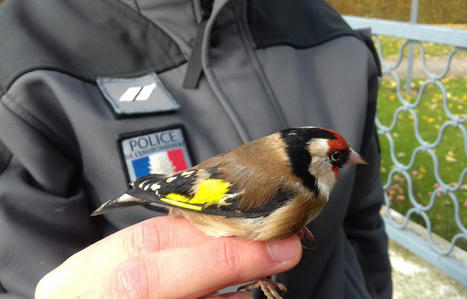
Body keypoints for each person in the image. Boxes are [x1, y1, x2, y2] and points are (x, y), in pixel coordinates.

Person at [0, 0, 392, 298]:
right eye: (339, 158)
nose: (352, 160)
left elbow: (364, 223)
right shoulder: (20, 57)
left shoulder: (331, 33)